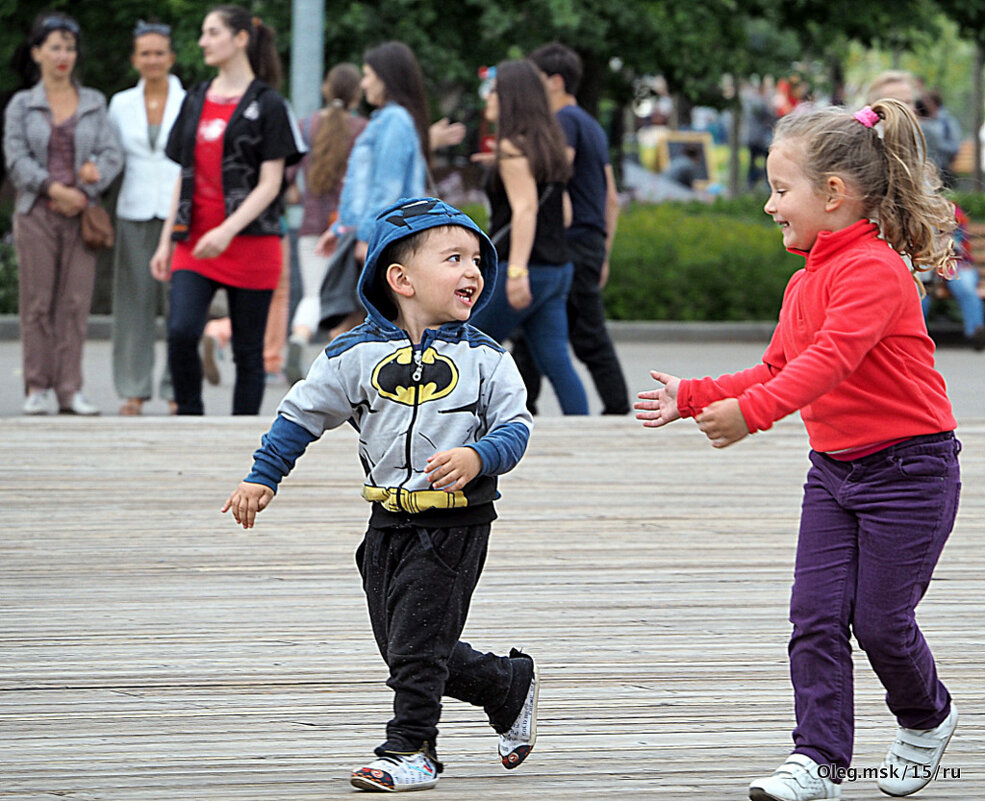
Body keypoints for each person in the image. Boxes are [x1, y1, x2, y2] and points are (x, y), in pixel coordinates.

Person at [637, 99, 961, 801]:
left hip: (909, 471)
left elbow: (828, 364)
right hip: (835, 473)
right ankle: (817, 759)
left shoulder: (872, 271)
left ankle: (925, 716)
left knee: (879, 621)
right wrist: (692, 393)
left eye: (780, 190)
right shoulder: (805, 279)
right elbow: (779, 364)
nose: (767, 204)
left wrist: (749, 416)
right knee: (813, 615)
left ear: (833, 195)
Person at [222, 197, 539, 792]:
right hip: (386, 520)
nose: (472, 270)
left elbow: (515, 429)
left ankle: (411, 748)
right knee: (406, 648)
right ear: (401, 279)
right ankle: (505, 684)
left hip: (458, 520)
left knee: (418, 648)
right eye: (453, 258)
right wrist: (263, 475)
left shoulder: (486, 358)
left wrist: (478, 456)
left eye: (477, 259)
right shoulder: (353, 355)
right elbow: (301, 415)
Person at [150, 5, 305, 415]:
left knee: (248, 353)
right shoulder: (195, 98)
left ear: (240, 39)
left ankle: (241, 439)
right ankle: (190, 417)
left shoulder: (268, 104)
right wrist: (167, 240)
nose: (203, 41)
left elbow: (271, 184)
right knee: (181, 331)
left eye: (212, 32)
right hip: (194, 240)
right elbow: (183, 175)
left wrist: (227, 231)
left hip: (251, 243)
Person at [4, 12, 123, 416]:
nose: (63, 55)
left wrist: (89, 183)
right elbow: (15, 157)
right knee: (37, 303)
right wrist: (54, 188)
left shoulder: (93, 101)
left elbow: (112, 154)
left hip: (82, 215)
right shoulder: (22, 103)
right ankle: (37, 386)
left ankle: (70, 389)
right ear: (37, 52)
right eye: (54, 47)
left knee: (75, 303)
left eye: (69, 48)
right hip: (35, 211)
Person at [510, 42, 628, 416]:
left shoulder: (562, 122)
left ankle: (617, 412)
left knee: (586, 338)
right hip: (590, 243)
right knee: (535, 337)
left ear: (555, 82)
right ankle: (519, 409)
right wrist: (604, 251)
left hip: (571, 243)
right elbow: (611, 197)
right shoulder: (591, 125)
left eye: (537, 81)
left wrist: (510, 164)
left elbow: (552, 174)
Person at [469, 59, 588, 415]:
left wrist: (518, 271)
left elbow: (525, 208)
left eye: (494, 89)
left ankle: (456, 431)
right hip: (557, 269)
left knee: (463, 345)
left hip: (523, 270)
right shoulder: (548, 145)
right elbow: (562, 212)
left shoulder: (512, 148)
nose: (488, 97)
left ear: (511, 96)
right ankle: (583, 430)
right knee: (555, 359)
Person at [313, 41, 430, 339]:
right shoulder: (389, 120)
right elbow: (364, 188)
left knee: (354, 331)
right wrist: (341, 228)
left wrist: (367, 237)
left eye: (367, 75)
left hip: (380, 235)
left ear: (385, 77)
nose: (363, 83)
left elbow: (387, 188)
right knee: (359, 330)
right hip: (370, 232)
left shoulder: (394, 121)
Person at [108, 19, 185, 416]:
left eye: (159, 52)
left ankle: (177, 388)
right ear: (135, 59)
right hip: (134, 209)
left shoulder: (188, 100)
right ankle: (133, 389)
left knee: (180, 304)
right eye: (145, 53)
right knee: (133, 303)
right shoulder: (119, 104)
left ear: (171, 57)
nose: (153, 60)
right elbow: (110, 158)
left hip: (180, 213)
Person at [284, 62, 366, 383]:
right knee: (346, 304)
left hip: (311, 225)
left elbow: (288, 179)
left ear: (325, 90)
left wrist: (297, 189)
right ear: (357, 95)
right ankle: (329, 368)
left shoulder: (305, 127)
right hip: (348, 229)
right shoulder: (363, 129)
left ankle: (299, 338)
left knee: (313, 295)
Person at [921, 204, 985, 351]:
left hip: (956, 264)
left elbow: (961, 248)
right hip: (927, 265)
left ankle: (976, 332)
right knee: (920, 291)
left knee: (965, 286)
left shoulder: (953, 210)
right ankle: (917, 335)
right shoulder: (919, 209)